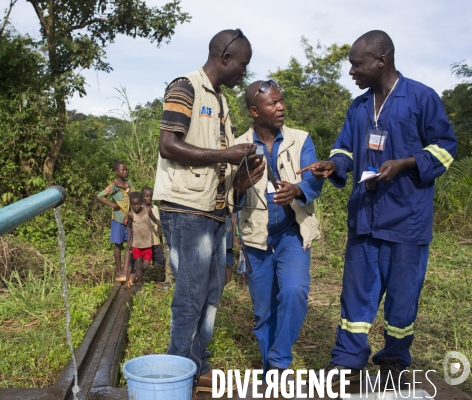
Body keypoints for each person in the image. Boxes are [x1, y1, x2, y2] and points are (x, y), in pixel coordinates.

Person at [298, 30, 457, 389]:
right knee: (355, 296)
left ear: (380, 61)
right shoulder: (358, 107)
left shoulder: (421, 98)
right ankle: (348, 362)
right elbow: (346, 151)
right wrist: (333, 165)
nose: (352, 72)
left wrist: (406, 163)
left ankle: (394, 360)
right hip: (366, 219)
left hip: (407, 219)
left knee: (402, 300)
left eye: (357, 64)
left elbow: (446, 147)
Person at [152, 28, 265, 393]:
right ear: (225, 58)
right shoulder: (185, 87)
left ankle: (197, 362)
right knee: (190, 293)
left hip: (215, 212)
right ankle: (178, 369)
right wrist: (224, 155)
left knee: (212, 292)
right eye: (242, 66)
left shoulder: (220, 100)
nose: (244, 74)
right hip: (186, 210)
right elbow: (168, 145)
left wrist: (241, 175)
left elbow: (220, 162)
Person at [233, 79, 323, 374]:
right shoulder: (238, 146)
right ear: (255, 111)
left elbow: (313, 179)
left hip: (291, 233)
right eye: (273, 103)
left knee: (295, 291)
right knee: (263, 311)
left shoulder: (300, 139)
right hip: (255, 236)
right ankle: (272, 370)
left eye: (281, 100)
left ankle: (279, 361)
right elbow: (227, 194)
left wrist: (297, 190)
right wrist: (240, 183)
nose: (281, 106)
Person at [96, 161, 134, 282]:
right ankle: (118, 270)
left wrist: (126, 189)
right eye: (122, 170)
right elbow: (99, 196)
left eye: (126, 169)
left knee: (130, 243)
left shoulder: (129, 183)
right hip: (118, 218)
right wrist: (113, 204)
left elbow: (135, 196)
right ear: (116, 172)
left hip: (129, 219)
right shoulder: (113, 186)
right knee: (118, 244)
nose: (125, 172)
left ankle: (126, 269)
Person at [126, 192, 162, 290]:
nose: (136, 206)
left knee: (146, 265)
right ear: (131, 204)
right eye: (133, 204)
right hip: (137, 245)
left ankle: (135, 275)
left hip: (147, 244)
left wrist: (162, 224)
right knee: (138, 265)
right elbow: (129, 228)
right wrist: (129, 241)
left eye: (137, 204)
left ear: (142, 203)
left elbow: (155, 220)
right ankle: (140, 285)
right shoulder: (131, 215)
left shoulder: (148, 211)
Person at [141, 187, 170, 285]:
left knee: (161, 260)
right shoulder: (138, 208)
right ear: (142, 197)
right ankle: (136, 277)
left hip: (155, 240)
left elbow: (158, 225)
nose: (149, 198)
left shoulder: (155, 208)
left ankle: (164, 279)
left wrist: (161, 241)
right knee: (145, 263)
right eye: (146, 196)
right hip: (143, 241)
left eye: (151, 196)